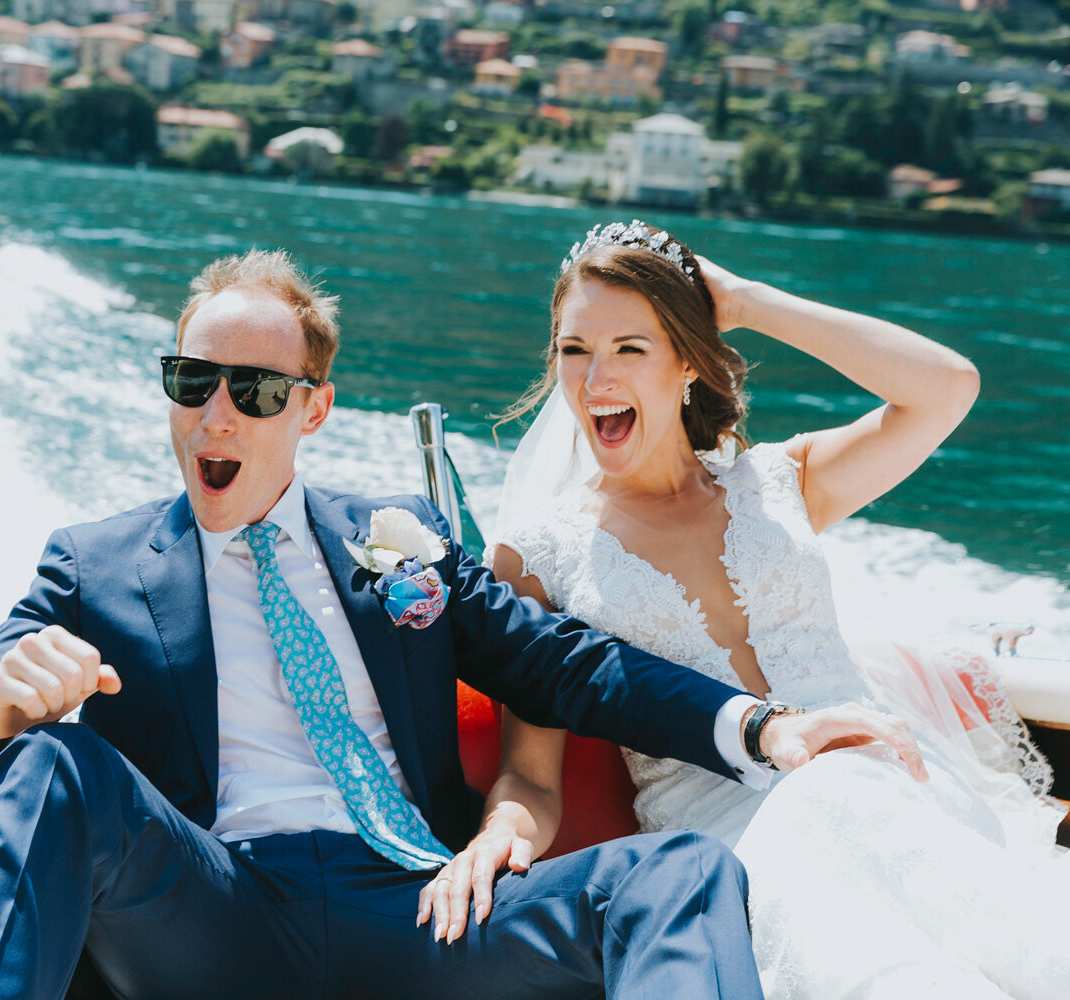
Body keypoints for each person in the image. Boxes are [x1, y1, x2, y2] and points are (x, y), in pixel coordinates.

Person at [0, 248, 926, 1000]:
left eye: (252, 390)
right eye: (191, 381)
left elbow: (566, 665)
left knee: (686, 875)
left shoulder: (402, 541)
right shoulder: (97, 563)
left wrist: (761, 728)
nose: (216, 414)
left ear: (314, 409)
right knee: (46, 763)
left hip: (426, 910)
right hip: (219, 907)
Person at [420, 221, 1070, 999]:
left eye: (631, 348)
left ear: (690, 361)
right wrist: (494, 842)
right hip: (736, 844)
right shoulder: (538, 554)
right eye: (574, 349)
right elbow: (533, 778)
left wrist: (749, 302)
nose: (595, 379)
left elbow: (947, 387)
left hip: (897, 794)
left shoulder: (783, 483)